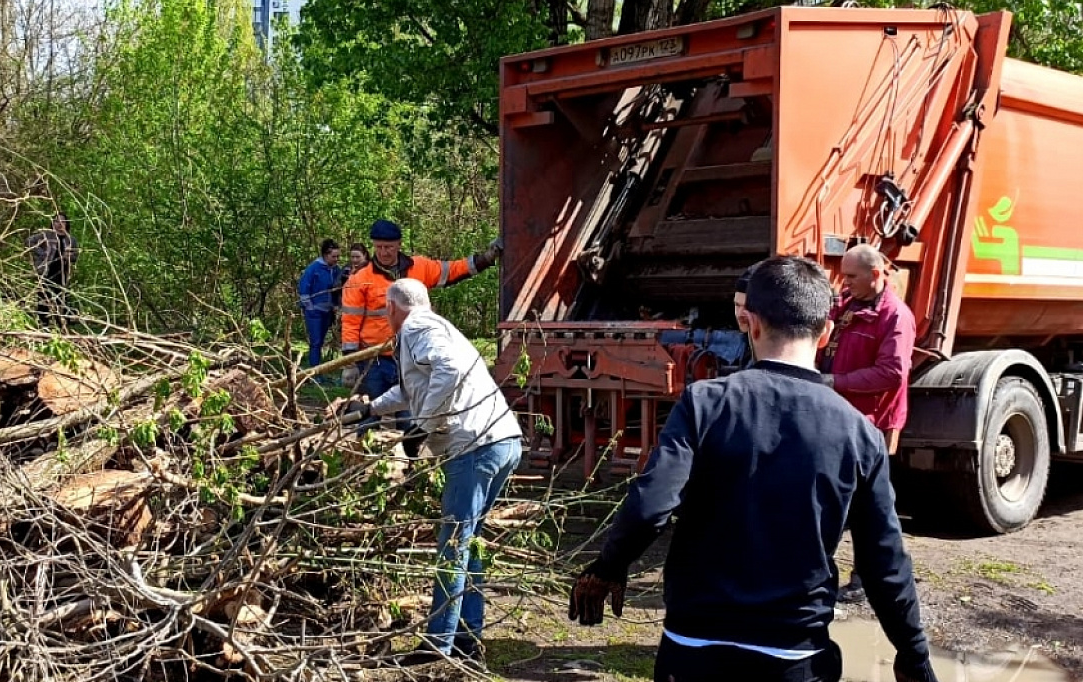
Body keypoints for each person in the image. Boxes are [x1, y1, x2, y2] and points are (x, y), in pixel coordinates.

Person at [567, 256, 938, 682]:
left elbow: (652, 505)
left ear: (752, 323)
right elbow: (884, 563)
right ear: (826, 334)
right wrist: (913, 654)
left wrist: (608, 567)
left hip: (693, 648)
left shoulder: (704, 403)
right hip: (795, 656)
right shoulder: (861, 434)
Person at [340, 278, 523, 666]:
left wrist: (425, 423)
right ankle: (467, 639)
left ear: (391, 308)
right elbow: (411, 391)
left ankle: (437, 644)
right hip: (501, 439)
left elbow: (449, 371)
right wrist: (369, 409)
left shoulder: (418, 327)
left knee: (453, 545)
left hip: (474, 446)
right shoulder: (432, 329)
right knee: (468, 544)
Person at [819, 243, 917, 604]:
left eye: (851, 276)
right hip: (842, 415)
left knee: (864, 501)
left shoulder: (895, 316)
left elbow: (892, 373)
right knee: (854, 497)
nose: (843, 283)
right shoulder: (847, 305)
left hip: (872, 422)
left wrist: (835, 382)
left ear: (876, 275)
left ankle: (868, 578)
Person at [339, 219, 501, 426]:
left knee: (410, 417)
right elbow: (350, 322)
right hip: (374, 361)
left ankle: (408, 455)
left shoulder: (419, 267)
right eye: (378, 247)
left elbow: (453, 270)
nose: (383, 252)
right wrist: (350, 364)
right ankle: (362, 455)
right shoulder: (360, 279)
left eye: (388, 247)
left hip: (410, 357)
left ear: (399, 244)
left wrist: (487, 258)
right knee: (368, 417)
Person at [28, 213, 80, 327]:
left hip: (62, 274)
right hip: (46, 272)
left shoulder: (71, 240)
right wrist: (42, 254)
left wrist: (69, 256)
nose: (59, 224)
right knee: (43, 299)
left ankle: (62, 325)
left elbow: (76, 256)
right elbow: (29, 242)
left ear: (67, 224)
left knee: (61, 300)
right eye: (56, 221)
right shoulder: (46, 235)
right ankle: (43, 325)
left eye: (62, 222)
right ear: (53, 223)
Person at [298, 239, 342, 371]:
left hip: (328, 311)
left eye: (338, 256)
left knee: (321, 341)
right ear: (325, 255)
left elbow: (338, 288)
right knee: (316, 342)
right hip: (314, 311)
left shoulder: (336, 270)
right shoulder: (313, 269)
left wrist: (336, 306)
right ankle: (314, 371)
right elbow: (304, 287)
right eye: (333, 256)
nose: (336, 259)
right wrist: (309, 307)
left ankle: (319, 369)